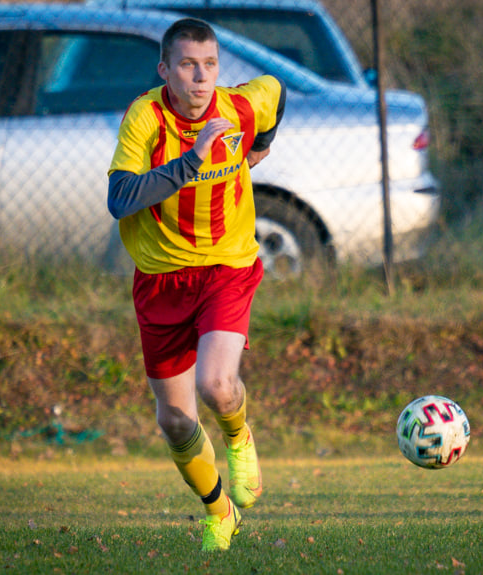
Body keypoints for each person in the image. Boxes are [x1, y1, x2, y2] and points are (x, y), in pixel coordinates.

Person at [106, 17, 286, 552]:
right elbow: (119, 199)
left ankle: (238, 434)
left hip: (226, 267)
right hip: (161, 279)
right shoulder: (146, 117)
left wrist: (262, 145)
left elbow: (276, 92)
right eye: (187, 65)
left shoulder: (238, 107)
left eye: (209, 65)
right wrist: (192, 161)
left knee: (216, 385)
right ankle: (219, 512)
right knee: (176, 421)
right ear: (165, 69)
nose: (201, 77)